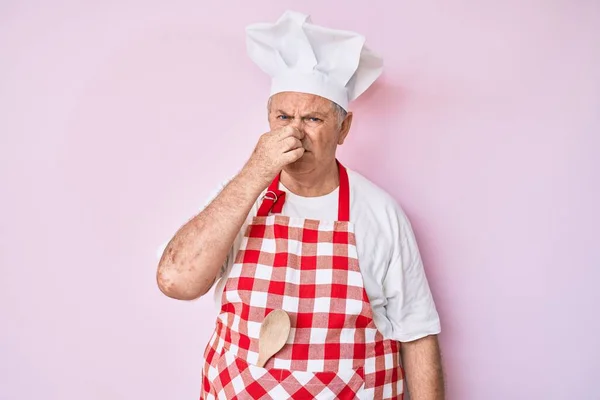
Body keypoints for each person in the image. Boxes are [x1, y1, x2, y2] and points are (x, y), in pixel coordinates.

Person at [157, 10, 444, 399]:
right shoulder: (238, 197)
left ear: (344, 129)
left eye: (313, 118)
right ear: (268, 119)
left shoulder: (380, 213)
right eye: (283, 116)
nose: (295, 131)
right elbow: (176, 282)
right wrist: (255, 172)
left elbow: (417, 334)